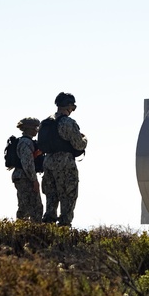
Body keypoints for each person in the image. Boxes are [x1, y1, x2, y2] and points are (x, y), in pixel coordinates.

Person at [41, 92, 88, 226]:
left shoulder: (46, 122)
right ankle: (63, 230)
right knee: (68, 196)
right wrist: (85, 139)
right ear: (68, 106)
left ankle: (47, 229)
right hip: (65, 163)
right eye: (73, 107)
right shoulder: (68, 123)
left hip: (48, 162)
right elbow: (79, 144)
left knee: (51, 198)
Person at [12, 117, 43, 221]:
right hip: (25, 177)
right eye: (35, 127)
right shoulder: (26, 143)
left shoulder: (25, 142)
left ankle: (22, 230)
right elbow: (27, 163)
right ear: (29, 128)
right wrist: (34, 180)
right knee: (33, 207)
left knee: (25, 206)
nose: (36, 130)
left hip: (22, 176)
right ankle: (29, 232)